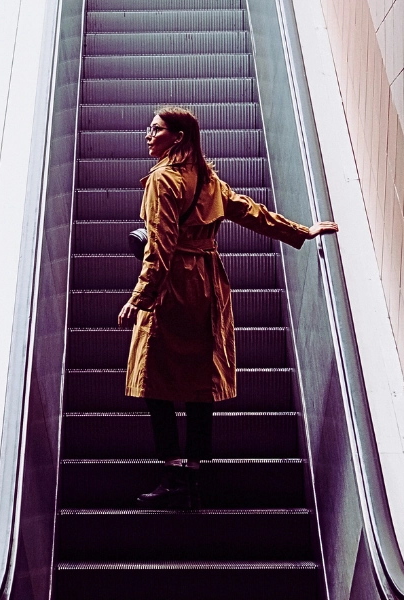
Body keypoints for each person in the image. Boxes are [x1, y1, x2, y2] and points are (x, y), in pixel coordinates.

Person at [117, 106, 338, 509]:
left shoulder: (163, 181)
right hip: (207, 284)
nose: (147, 136)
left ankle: (171, 475)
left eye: (155, 130)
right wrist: (301, 232)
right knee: (200, 382)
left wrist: (140, 296)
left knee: (153, 380)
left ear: (178, 136)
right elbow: (247, 210)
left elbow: (161, 247)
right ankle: (195, 475)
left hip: (172, 289)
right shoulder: (205, 177)